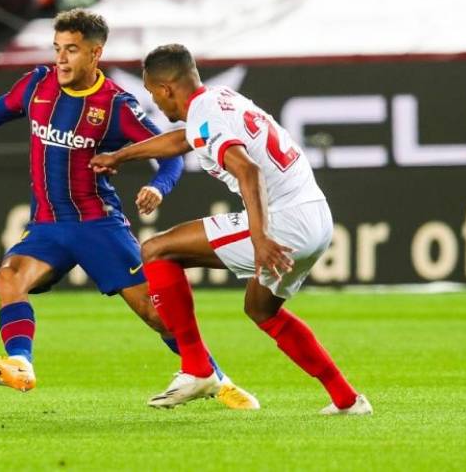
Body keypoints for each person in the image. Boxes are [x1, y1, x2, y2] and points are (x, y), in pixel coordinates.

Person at [0, 10, 258, 409]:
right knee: (8, 279)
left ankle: (218, 380)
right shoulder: (37, 84)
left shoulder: (115, 105)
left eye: (71, 50)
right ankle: (20, 364)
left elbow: (170, 154)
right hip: (48, 226)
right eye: (57, 49)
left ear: (95, 54)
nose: (61, 59)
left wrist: (158, 187)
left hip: (98, 226)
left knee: (156, 315)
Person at [89, 43, 372, 415]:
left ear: (166, 88)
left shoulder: (206, 116)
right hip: (317, 216)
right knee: (261, 310)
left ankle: (197, 369)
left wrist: (260, 237)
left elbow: (248, 171)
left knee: (156, 249)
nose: (154, 102)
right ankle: (347, 399)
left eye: (152, 92)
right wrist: (121, 156)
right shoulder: (220, 99)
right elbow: (184, 138)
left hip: (284, 222)